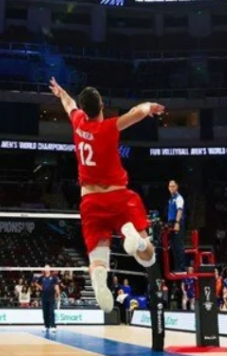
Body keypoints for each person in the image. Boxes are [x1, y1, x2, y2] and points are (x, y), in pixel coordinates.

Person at [48, 77, 162, 312]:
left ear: (84, 109)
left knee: (98, 258)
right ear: (101, 106)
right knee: (147, 257)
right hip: (118, 197)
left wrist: (60, 93)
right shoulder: (108, 127)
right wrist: (149, 106)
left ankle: (99, 278)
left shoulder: (78, 122)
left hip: (90, 201)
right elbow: (135, 113)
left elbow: (69, 104)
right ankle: (137, 238)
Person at [167, 180, 187, 273]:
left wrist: (177, 222)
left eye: (173, 186)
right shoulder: (171, 199)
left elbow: (180, 210)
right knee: (174, 246)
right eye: (170, 186)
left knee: (179, 245)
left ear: (177, 187)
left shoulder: (179, 198)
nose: (171, 188)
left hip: (177, 222)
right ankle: (177, 267)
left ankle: (182, 267)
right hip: (171, 222)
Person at [39, 266, 60, 334]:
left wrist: (58, 295)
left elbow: (56, 286)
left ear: (49, 269)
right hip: (44, 297)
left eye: (48, 268)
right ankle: (46, 326)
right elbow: (35, 282)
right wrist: (41, 288)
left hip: (51, 297)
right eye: (45, 268)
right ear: (44, 270)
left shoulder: (54, 277)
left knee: (51, 312)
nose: (46, 269)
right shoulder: (42, 277)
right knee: (45, 313)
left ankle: (53, 326)